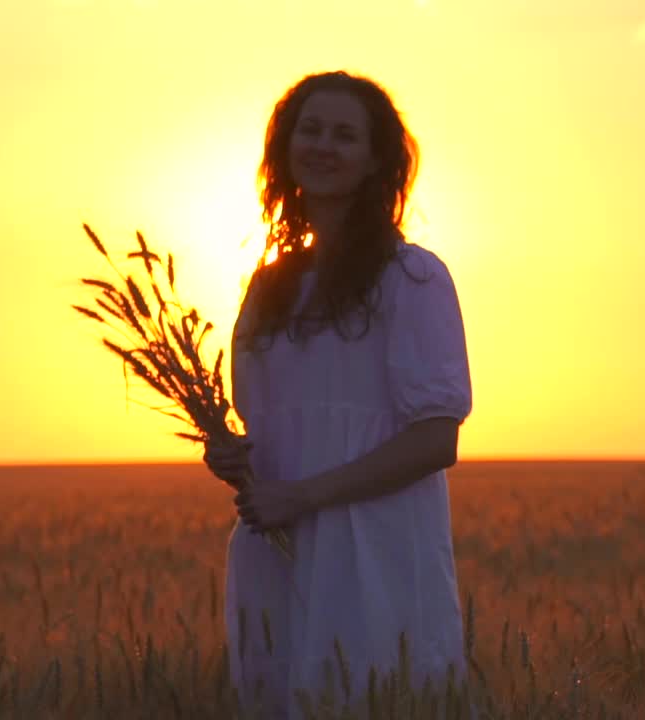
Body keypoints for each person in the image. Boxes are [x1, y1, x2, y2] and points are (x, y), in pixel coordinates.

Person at [203, 70, 473, 719]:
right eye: (312, 129)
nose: (324, 146)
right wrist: (228, 455)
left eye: (346, 135)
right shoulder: (267, 287)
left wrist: (302, 496)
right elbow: (263, 431)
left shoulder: (413, 278)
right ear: (286, 147)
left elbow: (436, 439)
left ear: (377, 159)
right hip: (276, 556)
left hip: (374, 557)